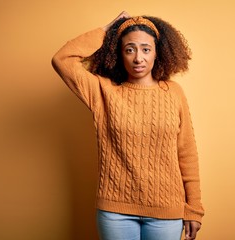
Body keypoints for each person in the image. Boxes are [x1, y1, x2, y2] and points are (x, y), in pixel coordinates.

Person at [52, 11, 204, 240]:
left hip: (167, 210)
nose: (138, 58)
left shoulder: (174, 93)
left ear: (157, 53)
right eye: (129, 49)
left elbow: (187, 153)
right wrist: (107, 29)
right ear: (118, 54)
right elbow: (62, 59)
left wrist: (193, 208)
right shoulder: (103, 92)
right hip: (115, 212)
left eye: (146, 49)